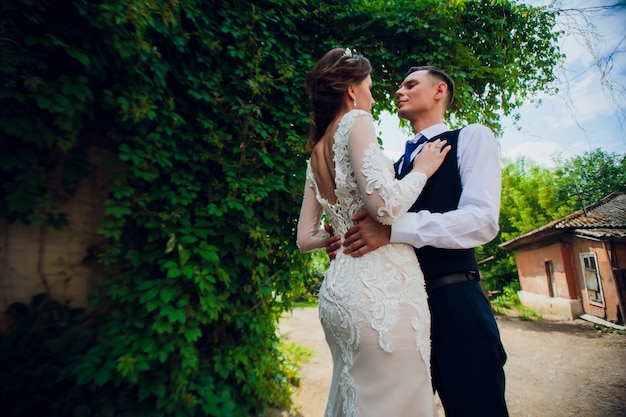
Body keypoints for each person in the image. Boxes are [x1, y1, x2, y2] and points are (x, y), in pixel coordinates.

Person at [325, 66, 509, 417]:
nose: (399, 91)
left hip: (455, 301)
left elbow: (482, 221)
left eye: (411, 84)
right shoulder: (392, 168)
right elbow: (366, 225)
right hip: (399, 313)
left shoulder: (471, 137)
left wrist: (394, 230)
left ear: (440, 90)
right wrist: (342, 239)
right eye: (398, 86)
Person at [297, 49, 451, 417]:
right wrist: (422, 170)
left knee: (360, 399)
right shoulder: (356, 122)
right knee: (397, 402)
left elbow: (305, 238)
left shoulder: (316, 152)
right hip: (380, 293)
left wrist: (336, 235)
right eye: (369, 87)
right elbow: (385, 207)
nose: (373, 96)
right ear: (351, 90)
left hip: (339, 291)